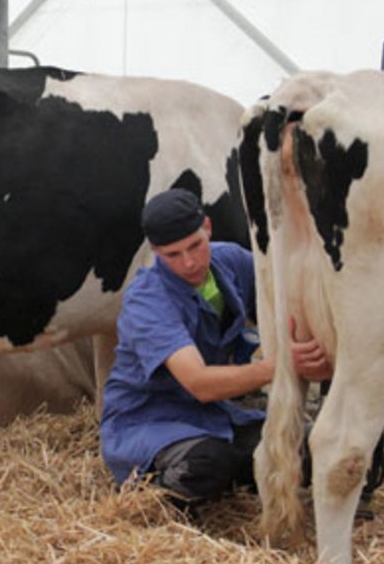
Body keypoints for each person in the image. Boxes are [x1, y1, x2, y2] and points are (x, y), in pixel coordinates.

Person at [100, 188, 331, 504]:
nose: (190, 263)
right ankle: (151, 496)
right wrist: (279, 365)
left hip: (214, 417)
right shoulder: (147, 301)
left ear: (207, 227)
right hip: (149, 422)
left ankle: (236, 473)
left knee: (312, 446)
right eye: (173, 255)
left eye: (195, 245)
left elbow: (287, 296)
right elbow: (199, 384)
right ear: (155, 251)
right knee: (208, 463)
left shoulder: (231, 260)